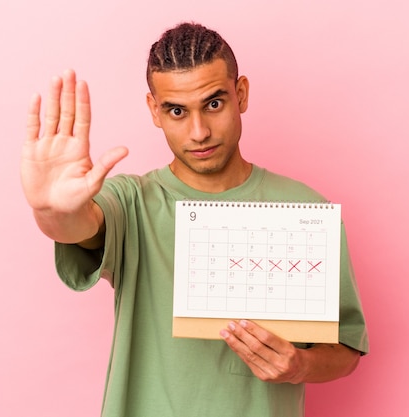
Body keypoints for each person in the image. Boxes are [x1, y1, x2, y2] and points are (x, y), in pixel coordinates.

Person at [21, 22, 368, 417]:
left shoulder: (307, 209)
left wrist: (300, 366)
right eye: (177, 111)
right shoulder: (132, 202)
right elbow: (81, 226)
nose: (199, 131)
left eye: (214, 104)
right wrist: (53, 210)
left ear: (241, 94)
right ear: (155, 110)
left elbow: (346, 348)